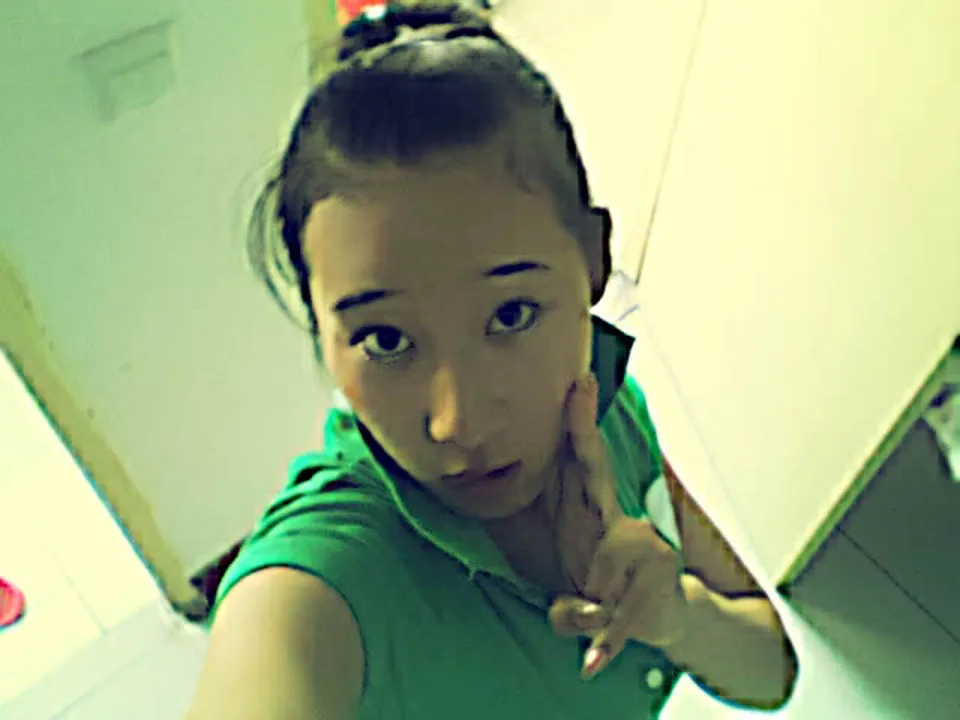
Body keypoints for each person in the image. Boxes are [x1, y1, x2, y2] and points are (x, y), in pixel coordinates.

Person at [187, 3, 798, 718]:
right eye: (385, 340)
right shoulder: (318, 582)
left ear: (594, 261)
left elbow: (772, 670)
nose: (459, 421)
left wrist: (679, 618)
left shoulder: (597, 402)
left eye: (511, 316)